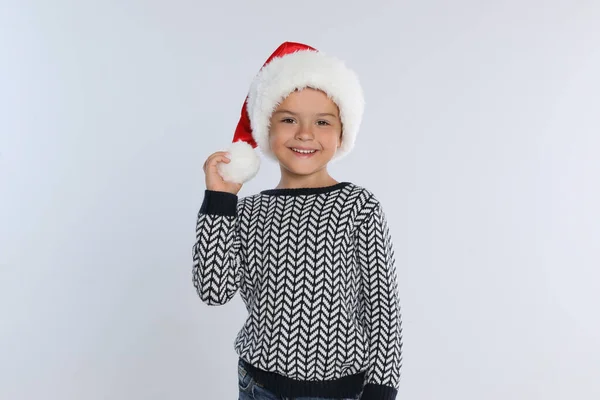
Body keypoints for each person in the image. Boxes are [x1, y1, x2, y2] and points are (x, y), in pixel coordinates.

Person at [193, 42, 403, 400]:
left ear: (341, 134)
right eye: (288, 119)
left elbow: (382, 311)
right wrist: (220, 199)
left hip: (338, 392)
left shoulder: (358, 207)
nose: (305, 133)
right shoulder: (246, 212)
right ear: (266, 130)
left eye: (322, 122)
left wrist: (381, 390)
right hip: (258, 386)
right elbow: (214, 292)